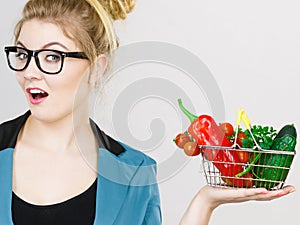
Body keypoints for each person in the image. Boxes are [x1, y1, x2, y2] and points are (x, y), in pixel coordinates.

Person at [0, 0, 295, 224]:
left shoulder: (136, 173)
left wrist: (205, 202)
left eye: (52, 56)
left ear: (96, 68)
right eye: (23, 54)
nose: (29, 72)